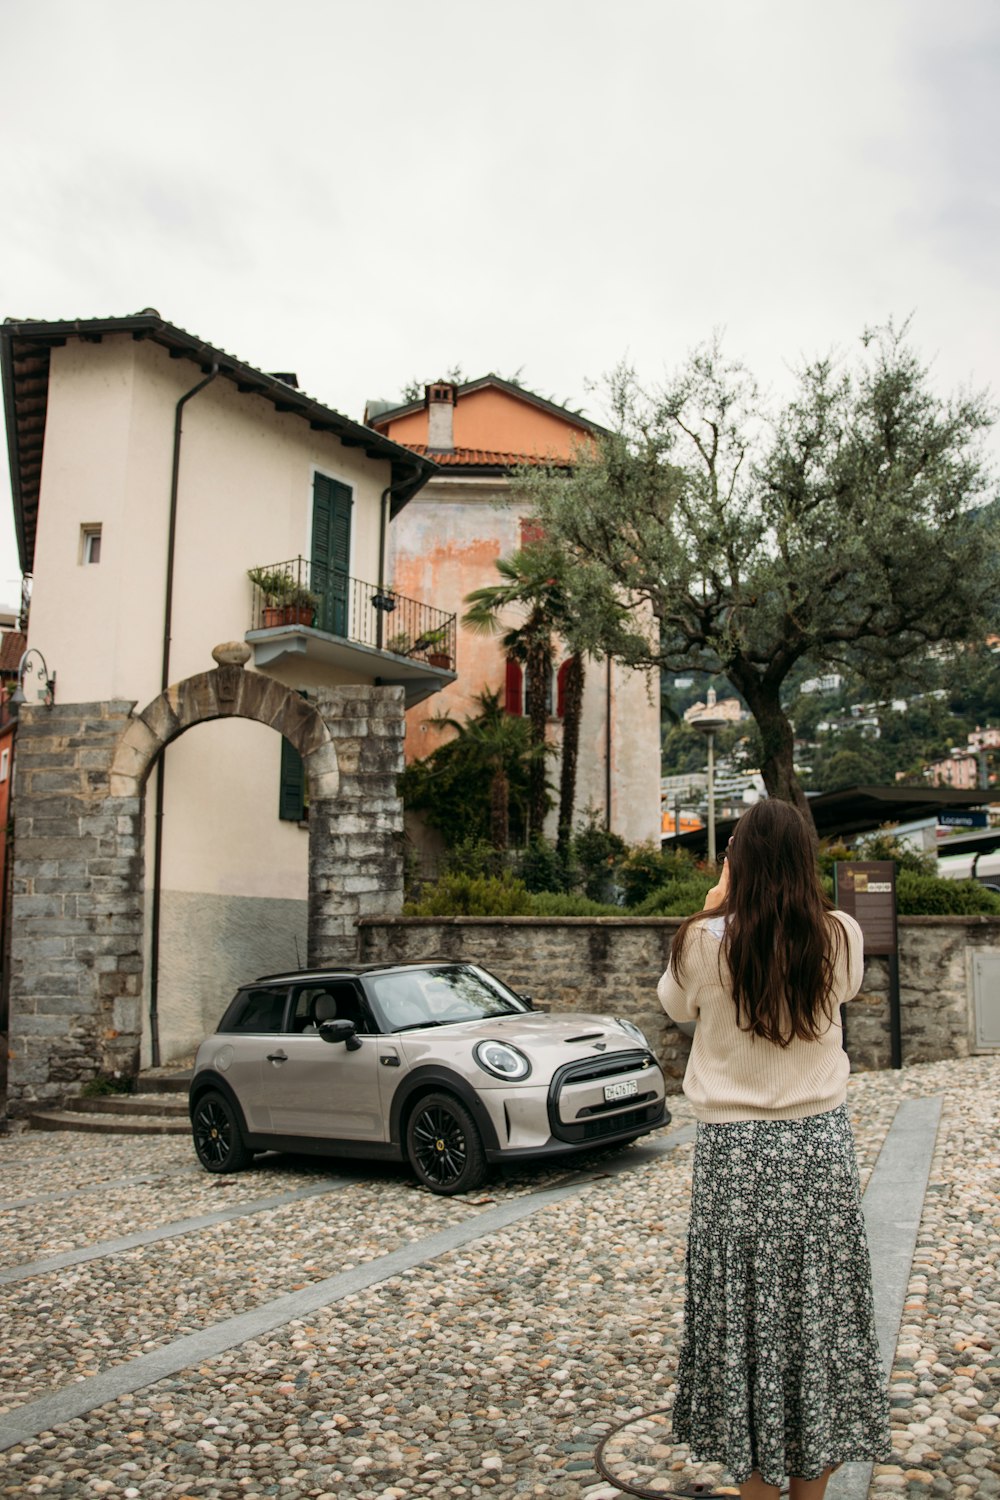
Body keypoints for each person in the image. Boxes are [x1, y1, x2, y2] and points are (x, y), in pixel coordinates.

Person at [657, 799, 891, 1500]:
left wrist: (709, 904)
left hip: (734, 1156)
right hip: (817, 1149)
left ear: (740, 864)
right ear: (805, 859)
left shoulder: (701, 943)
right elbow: (842, 991)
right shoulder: (840, 936)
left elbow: (674, 1006)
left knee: (746, 1323)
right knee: (814, 1319)